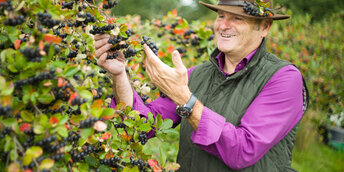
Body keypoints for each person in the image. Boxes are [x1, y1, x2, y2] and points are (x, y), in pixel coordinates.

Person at [94, 0, 309, 171]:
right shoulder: (197, 75)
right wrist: (120, 74)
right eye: (221, 15)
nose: (224, 25)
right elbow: (142, 125)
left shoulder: (283, 78)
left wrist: (186, 100)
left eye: (237, 18)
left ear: (264, 27)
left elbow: (243, 151)